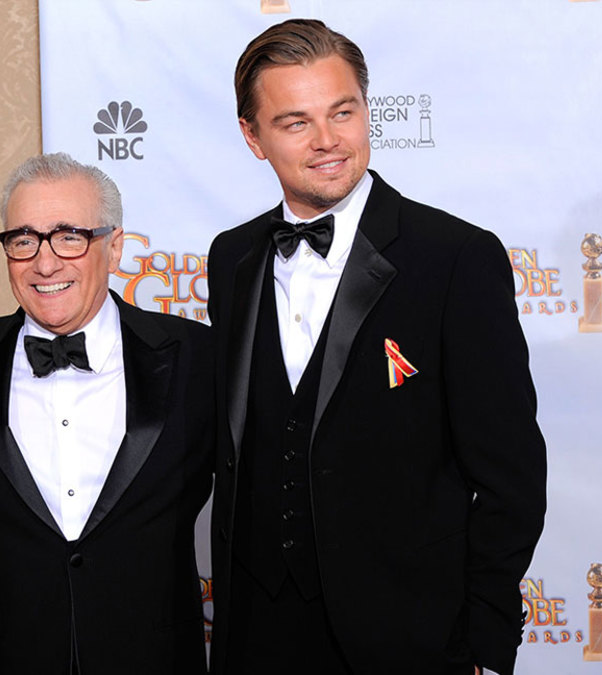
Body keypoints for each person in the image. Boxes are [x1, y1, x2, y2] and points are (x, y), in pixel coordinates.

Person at [207, 19, 547, 675]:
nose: (329, 140)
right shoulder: (233, 257)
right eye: (296, 122)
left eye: (343, 111)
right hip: (257, 636)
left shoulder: (455, 259)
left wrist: (483, 644)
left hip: (409, 641)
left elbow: (512, 476)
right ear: (253, 136)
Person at [0, 153, 212, 674]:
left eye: (70, 236)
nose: (45, 261)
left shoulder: (197, 358)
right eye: (23, 239)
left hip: (158, 660)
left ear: (115, 247)